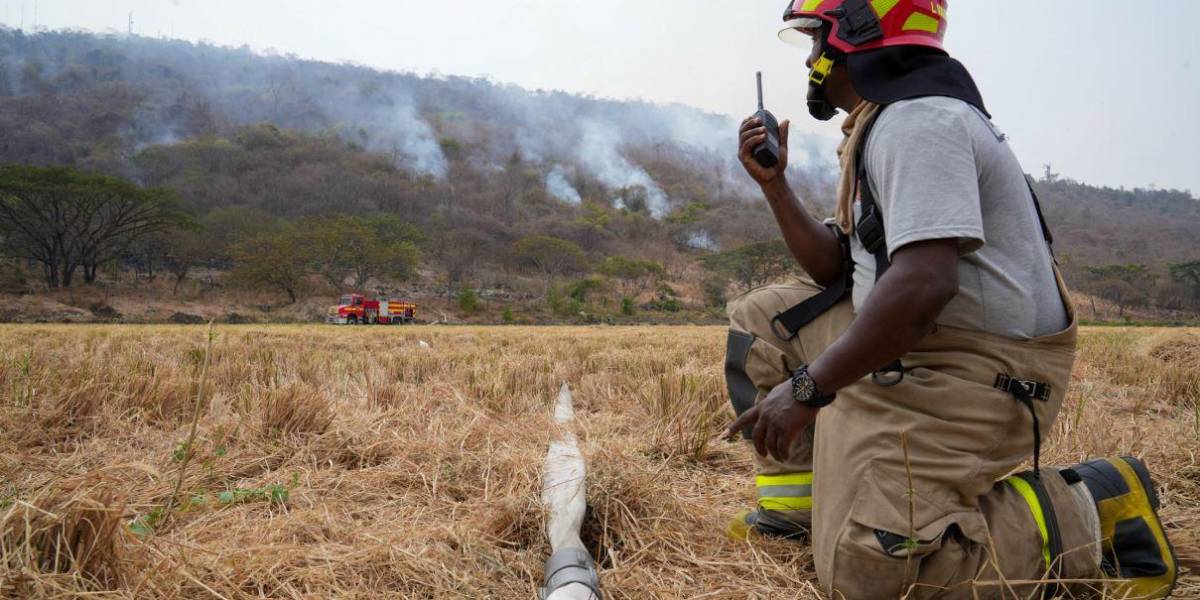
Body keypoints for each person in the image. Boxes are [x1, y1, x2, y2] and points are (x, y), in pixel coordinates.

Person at [722, 1, 1179, 598]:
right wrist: (775, 186)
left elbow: (923, 285)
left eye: (815, 42)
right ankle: (803, 515)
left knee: (873, 573)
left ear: (854, 38)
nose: (809, 59)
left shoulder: (919, 123)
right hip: (922, 337)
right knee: (762, 320)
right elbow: (841, 266)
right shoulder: (883, 122)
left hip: (982, 367)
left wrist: (807, 389)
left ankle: (1094, 508)